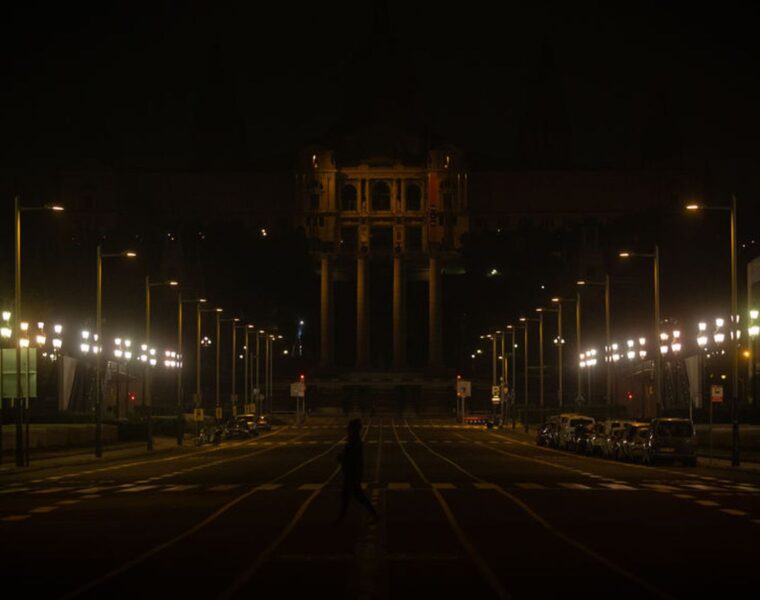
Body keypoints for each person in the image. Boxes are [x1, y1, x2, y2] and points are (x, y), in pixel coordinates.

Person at [335, 418, 380, 525]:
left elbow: (351, 456)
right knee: (353, 495)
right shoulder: (354, 439)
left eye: (349, 427)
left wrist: (341, 457)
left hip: (352, 473)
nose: (347, 429)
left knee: (353, 496)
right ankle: (374, 514)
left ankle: (342, 518)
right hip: (353, 472)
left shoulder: (354, 440)